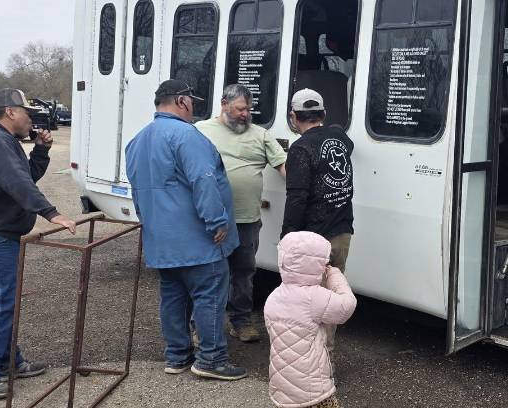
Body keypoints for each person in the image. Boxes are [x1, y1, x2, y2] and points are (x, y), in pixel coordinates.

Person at [124, 79, 247, 381]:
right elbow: (204, 179)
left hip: (161, 240)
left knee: (173, 296)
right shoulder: (186, 136)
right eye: (192, 101)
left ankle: (177, 355)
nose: (194, 107)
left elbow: (138, 191)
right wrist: (217, 221)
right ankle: (211, 359)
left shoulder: (137, 140)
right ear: (181, 101)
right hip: (198, 240)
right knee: (209, 295)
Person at [0, 88, 77, 400]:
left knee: (6, 303)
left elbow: (23, 177)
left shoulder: (0, 140)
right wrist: (51, 213)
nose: (31, 118)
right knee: (2, 304)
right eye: (27, 111)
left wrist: (39, 151)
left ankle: (9, 361)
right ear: (10, 112)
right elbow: (16, 181)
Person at [254, 231, 372, 408]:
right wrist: (335, 276)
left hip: (284, 377)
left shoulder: (275, 296)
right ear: (315, 266)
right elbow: (346, 306)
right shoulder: (312, 297)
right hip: (310, 377)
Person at [195, 84, 287, 343]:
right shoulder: (201, 131)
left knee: (244, 273)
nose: (246, 114)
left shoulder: (261, 134)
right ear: (224, 103)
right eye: (240, 109)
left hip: (247, 221)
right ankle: (200, 327)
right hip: (211, 221)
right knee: (209, 275)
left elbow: (284, 168)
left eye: (249, 109)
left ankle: (241, 321)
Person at [282, 88, 355, 350]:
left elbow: (297, 198)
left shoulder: (300, 149)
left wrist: (287, 236)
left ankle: (310, 357)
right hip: (342, 232)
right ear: (323, 113)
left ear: (293, 117)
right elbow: (348, 143)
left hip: (313, 240)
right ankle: (327, 354)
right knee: (333, 296)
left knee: (308, 300)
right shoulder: (339, 137)